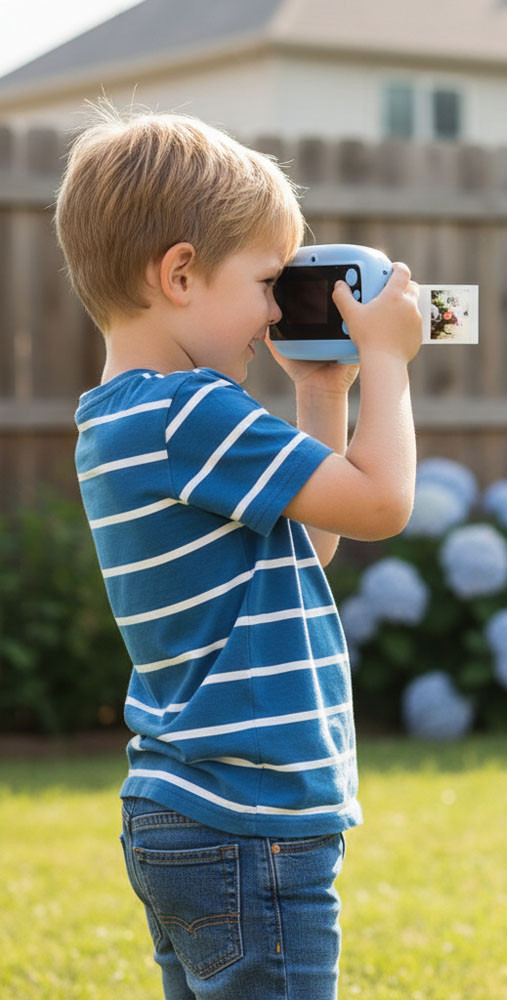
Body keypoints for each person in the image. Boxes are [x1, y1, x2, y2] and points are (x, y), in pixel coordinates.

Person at [55, 104, 422, 1000]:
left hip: (183, 813)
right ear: (180, 274)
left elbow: (316, 543)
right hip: (253, 820)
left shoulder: (125, 419)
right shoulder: (195, 412)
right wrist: (390, 363)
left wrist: (321, 393)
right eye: (266, 283)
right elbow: (379, 503)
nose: (275, 311)